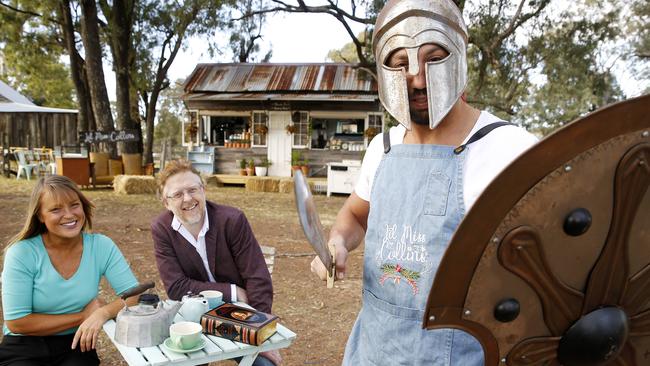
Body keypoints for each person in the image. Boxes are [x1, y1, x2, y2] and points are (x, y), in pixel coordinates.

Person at [310, 0, 539, 364]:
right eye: (399, 64)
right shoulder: (381, 148)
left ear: (459, 55)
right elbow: (354, 216)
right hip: (374, 349)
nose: (416, 78)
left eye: (433, 58)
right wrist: (337, 242)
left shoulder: (509, 150)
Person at [0, 175, 140, 366]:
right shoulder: (21, 253)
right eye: (56, 209)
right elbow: (17, 322)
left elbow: (134, 295)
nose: (69, 215)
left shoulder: (101, 246)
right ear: (40, 215)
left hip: (75, 344)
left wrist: (103, 312)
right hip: (23, 346)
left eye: (74, 205)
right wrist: (82, 316)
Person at [151, 159, 279, 365]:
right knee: (187, 362)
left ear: (204, 190)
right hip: (193, 315)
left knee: (264, 365)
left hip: (240, 313)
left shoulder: (232, 220)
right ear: (166, 203)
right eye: (177, 194)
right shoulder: (162, 229)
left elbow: (258, 277)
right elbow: (176, 287)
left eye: (193, 189)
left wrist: (261, 333)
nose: (187, 198)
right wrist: (233, 291)